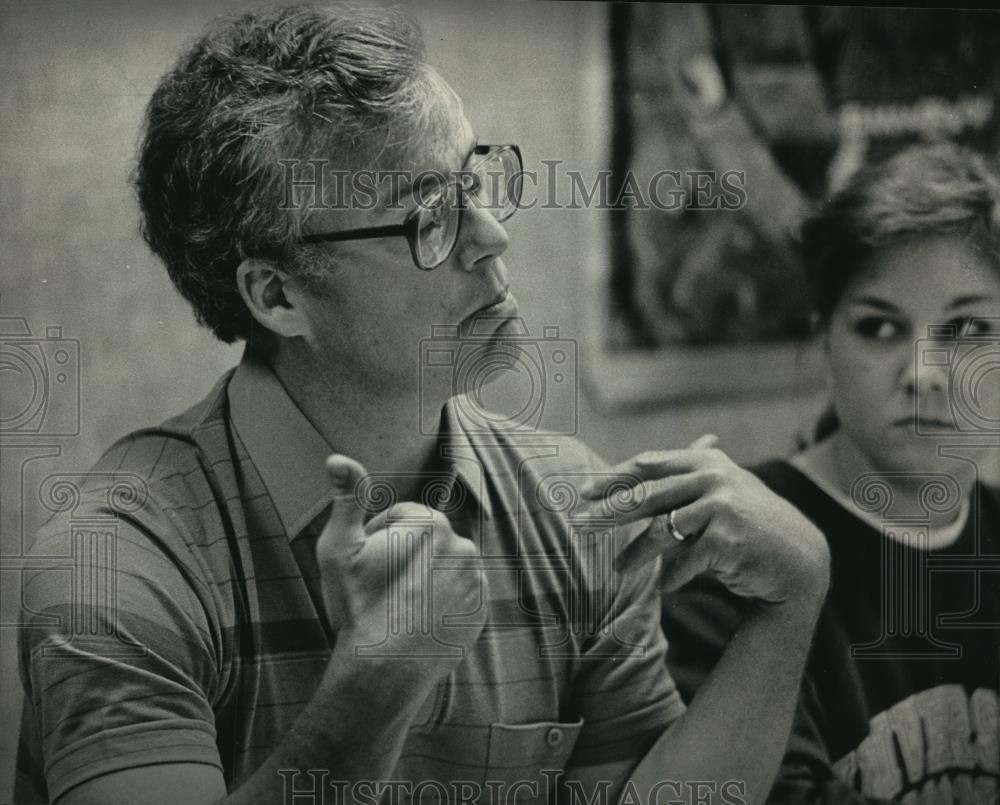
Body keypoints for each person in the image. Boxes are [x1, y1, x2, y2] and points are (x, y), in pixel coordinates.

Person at [16, 6, 831, 804]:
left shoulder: (573, 500)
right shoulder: (117, 556)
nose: (492, 236)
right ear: (277, 296)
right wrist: (378, 683)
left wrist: (789, 609)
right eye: (429, 217)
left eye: (475, 182)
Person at [662, 143, 1000, 803]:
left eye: (965, 330)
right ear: (823, 342)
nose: (924, 373)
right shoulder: (733, 550)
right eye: (879, 327)